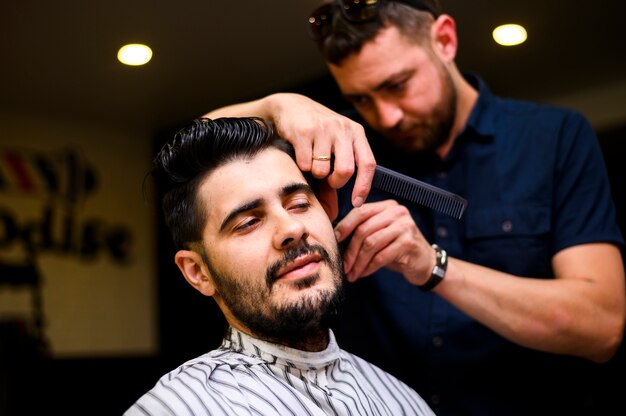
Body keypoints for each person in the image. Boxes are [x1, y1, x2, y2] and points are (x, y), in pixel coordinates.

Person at [203, 1, 626, 415]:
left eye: (397, 84)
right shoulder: (341, 147)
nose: (385, 117)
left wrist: (434, 267)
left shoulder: (554, 139)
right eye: (362, 98)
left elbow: (602, 327)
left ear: (444, 39)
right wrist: (277, 106)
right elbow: (189, 155)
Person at [124, 117, 436, 415]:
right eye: (248, 223)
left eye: (300, 204)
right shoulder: (177, 408)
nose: (292, 228)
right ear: (198, 272)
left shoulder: (401, 399)